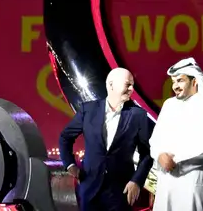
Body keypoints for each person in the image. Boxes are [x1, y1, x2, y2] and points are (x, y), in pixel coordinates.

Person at [59, 68, 153, 211]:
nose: (131, 89)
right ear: (111, 85)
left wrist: (136, 181)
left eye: (132, 85)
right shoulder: (88, 110)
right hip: (90, 188)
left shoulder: (138, 115)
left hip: (121, 192)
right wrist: (70, 164)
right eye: (127, 84)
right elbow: (65, 137)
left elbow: (147, 153)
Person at [149, 58, 203, 211]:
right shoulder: (169, 105)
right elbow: (155, 140)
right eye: (173, 82)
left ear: (195, 81)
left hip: (193, 183)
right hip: (167, 184)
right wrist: (159, 155)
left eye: (180, 81)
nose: (175, 86)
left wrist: (175, 161)